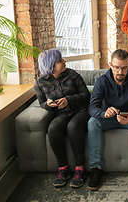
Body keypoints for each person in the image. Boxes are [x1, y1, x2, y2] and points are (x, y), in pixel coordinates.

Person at [87, 49, 128, 191]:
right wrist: (103, 114)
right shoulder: (101, 81)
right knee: (92, 122)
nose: (120, 72)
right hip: (109, 118)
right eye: (116, 67)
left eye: (124, 68)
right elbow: (92, 108)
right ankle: (96, 168)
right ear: (110, 65)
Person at [34, 49, 90, 188]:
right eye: (60, 61)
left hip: (81, 111)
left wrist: (69, 100)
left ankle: (80, 168)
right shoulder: (40, 83)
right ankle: (63, 168)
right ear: (50, 65)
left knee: (73, 127)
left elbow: (86, 95)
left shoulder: (72, 75)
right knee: (53, 129)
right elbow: (42, 103)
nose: (64, 62)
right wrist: (48, 104)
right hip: (60, 114)